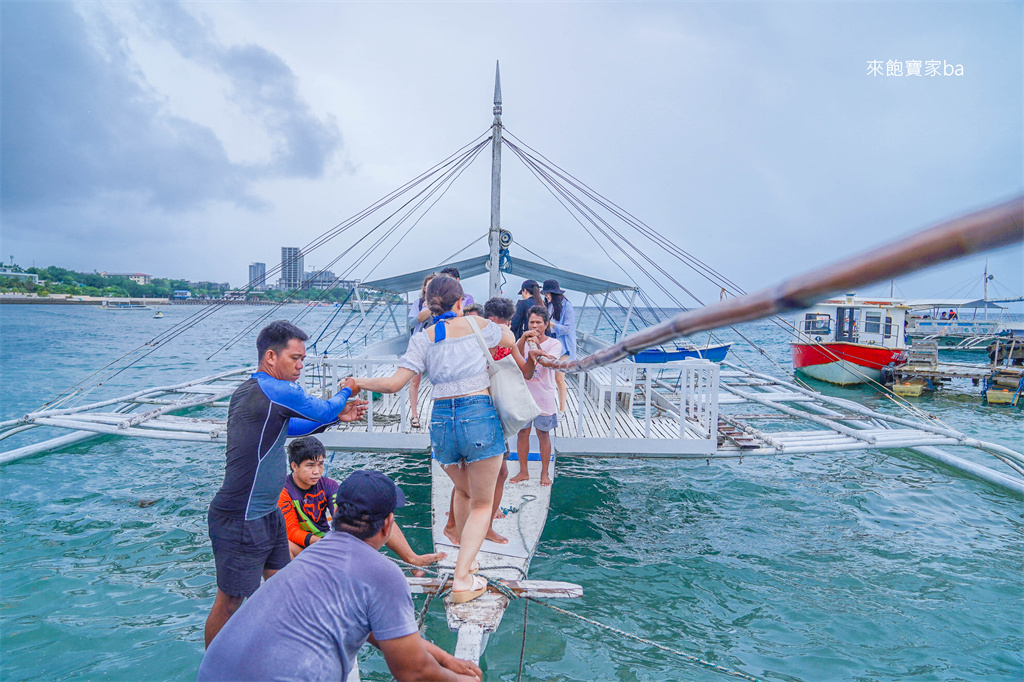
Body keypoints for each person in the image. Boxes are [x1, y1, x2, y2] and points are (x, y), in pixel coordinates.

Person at [198, 470, 482, 682]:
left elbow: (376, 631)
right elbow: (412, 672)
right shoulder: (384, 573)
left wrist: (445, 659)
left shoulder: (310, 556)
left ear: (335, 515)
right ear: (387, 525)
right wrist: (464, 679)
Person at [204, 320, 368, 647]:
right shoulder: (271, 388)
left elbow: (288, 428)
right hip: (241, 517)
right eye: (295, 358)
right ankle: (214, 671)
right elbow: (320, 408)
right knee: (229, 602)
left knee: (281, 584)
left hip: (268, 514)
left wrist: (336, 417)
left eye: (302, 359)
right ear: (270, 357)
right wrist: (347, 389)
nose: (301, 365)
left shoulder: (255, 393)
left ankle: (283, 650)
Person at [355, 275, 514, 603]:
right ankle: (462, 579)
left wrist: (358, 381)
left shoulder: (423, 338)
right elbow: (510, 339)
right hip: (478, 414)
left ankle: (463, 552)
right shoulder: (476, 324)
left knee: (464, 490)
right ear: (461, 302)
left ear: (428, 304)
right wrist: (479, 321)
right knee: (483, 503)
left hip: (442, 421)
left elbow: (394, 384)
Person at [442, 297, 544, 546]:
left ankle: (474, 525)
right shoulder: (483, 338)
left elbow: (526, 372)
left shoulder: (504, 340)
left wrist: (531, 355)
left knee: (494, 472)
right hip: (478, 413)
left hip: (490, 413)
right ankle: (462, 525)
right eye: (501, 323)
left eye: (504, 324)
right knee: (480, 473)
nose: (501, 328)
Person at [278, 436, 444, 567]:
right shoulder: (283, 492)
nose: (316, 471)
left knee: (380, 514)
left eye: (320, 464)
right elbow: (292, 532)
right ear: (294, 466)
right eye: (310, 465)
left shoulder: (329, 485)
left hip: (330, 543)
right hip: (307, 547)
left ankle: (413, 560)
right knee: (284, 544)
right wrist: (324, 544)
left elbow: (342, 515)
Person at [509, 306, 563, 487]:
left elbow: (546, 361)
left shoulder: (554, 344)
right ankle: (523, 471)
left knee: (543, 434)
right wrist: (524, 339)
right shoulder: (522, 341)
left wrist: (536, 345)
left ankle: (544, 473)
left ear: (546, 324)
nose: (535, 325)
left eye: (539, 322)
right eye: (531, 322)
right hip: (524, 395)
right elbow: (513, 354)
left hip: (544, 397)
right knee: (522, 433)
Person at [408, 274, 436, 430]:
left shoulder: (442, 304)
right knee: (415, 380)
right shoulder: (418, 303)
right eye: (428, 285)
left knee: (436, 380)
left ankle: (434, 415)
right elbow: (412, 322)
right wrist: (427, 309)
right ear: (424, 288)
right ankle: (414, 415)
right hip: (418, 344)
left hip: (434, 345)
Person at [542, 279, 573, 417]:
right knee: (547, 378)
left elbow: (567, 329)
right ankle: (549, 407)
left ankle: (562, 410)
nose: (546, 296)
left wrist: (550, 324)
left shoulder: (567, 306)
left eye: (548, 293)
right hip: (550, 345)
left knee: (559, 379)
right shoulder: (548, 305)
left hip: (564, 347)